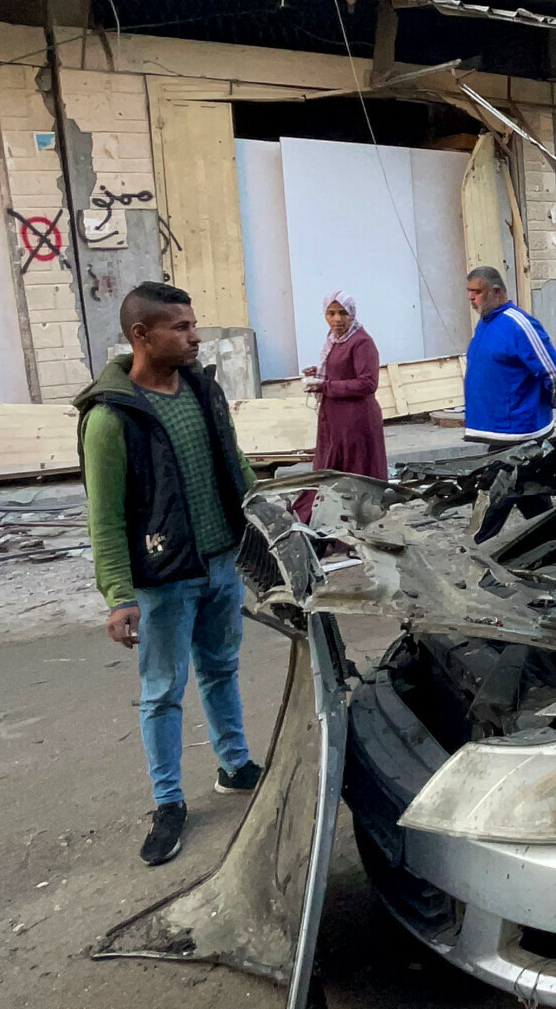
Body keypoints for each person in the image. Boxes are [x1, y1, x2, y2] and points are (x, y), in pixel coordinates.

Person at [75, 282, 263, 867]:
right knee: (162, 692)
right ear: (142, 335)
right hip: (164, 579)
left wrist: (268, 523)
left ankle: (235, 766)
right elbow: (105, 517)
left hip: (222, 564)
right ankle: (168, 802)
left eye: (193, 324)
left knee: (221, 669)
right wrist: (118, 595)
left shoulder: (203, 390)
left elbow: (235, 464)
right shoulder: (111, 418)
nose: (195, 336)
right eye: (180, 328)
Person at [298, 292, 386, 521]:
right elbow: (340, 372)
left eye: (342, 313)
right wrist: (318, 374)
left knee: (354, 474)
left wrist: (326, 386)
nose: (337, 319)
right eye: (331, 313)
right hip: (334, 419)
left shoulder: (361, 342)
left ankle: (355, 520)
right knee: (332, 472)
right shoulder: (334, 341)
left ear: (352, 314)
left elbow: (368, 383)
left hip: (355, 421)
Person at [462, 266, 556, 447]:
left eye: (477, 292)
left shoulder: (518, 324)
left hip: (519, 431)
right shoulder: (485, 324)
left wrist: (551, 402)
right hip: (492, 428)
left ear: (496, 292)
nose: (471, 297)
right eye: (469, 291)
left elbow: (554, 371)